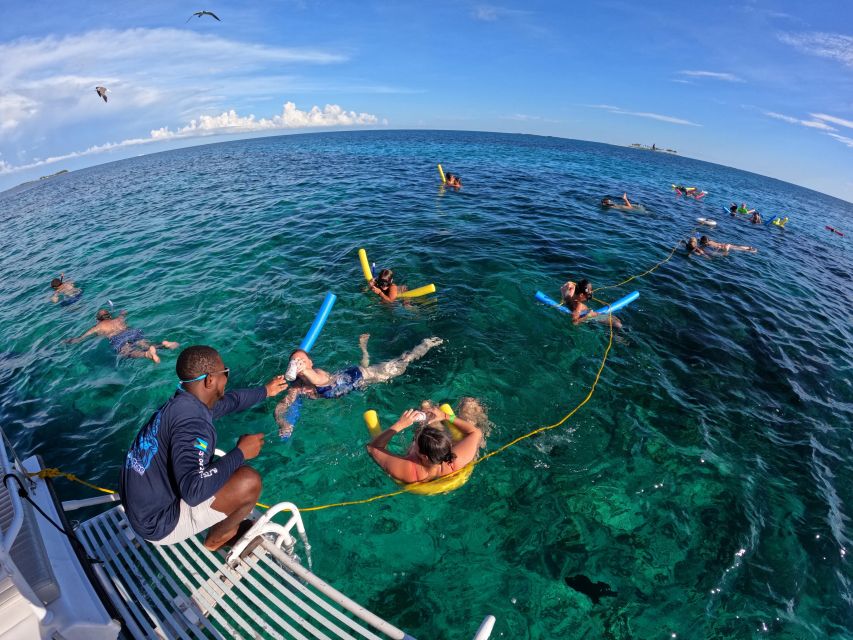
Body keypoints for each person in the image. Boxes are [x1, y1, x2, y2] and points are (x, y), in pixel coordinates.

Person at [119, 345, 289, 550]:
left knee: (217, 468)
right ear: (210, 380)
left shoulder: (182, 403)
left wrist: (266, 391)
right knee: (248, 481)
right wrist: (241, 452)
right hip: (158, 524)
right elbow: (193, 491)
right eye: (225, 372)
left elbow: (231, 402)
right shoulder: (194, 425)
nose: (227, 377)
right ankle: (217, 540)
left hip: (140, 506)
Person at [275, 334, 443, 439]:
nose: (298, 365)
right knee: (370, 365)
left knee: (401, 363)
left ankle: (425, 344)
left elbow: (320, 382)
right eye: (295, 363)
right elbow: (282, 406)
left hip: (359, 376)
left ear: (310, 363)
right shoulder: (296, 387)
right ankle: (364, 349)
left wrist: (303, 369)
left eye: (302, 361)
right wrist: (283, 422)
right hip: (350, 385)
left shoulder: (317, 373)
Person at [366, 398, 486, 484]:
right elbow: (476, 432)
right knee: (469, 403)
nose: (415, 440)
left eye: (415, 440)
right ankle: (429, 411)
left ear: (423, 456)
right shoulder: (455, 461)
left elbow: (373, 448)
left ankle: (426, 409)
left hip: (421, 468)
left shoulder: (409, 470)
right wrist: (446, 416)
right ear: (448, 446)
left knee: (425, 406)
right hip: (441, 465)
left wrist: (400, 425)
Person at [64, 308, 179, 364]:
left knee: (127, 352)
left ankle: (147, 354)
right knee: (144, 343)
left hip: (117, 338)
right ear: (109, 316)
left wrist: (68, 341)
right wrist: (122, 313)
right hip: (132, 332)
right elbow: (124, 313)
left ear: (98, 319)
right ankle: (164, 345)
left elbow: (80, 339)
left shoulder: (97, 327)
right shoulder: (119, 319)